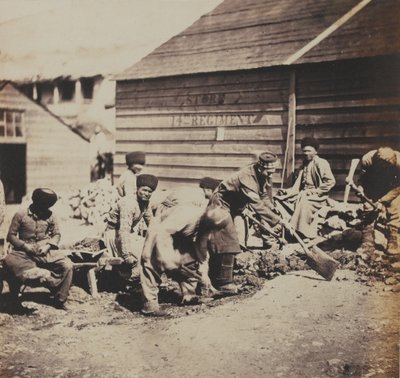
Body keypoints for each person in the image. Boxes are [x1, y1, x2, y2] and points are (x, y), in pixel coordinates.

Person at [196, 152, 284, 295]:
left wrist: (275, 211)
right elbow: (257, 205)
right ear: (261, 168)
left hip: (234, 207)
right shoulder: (246, 177)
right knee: (228, 240)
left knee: (236, 239)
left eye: (273, 172)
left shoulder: (263, 176)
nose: (270, 175)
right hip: (220, 205)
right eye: (269, 172)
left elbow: (263, 196)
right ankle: (223, 283)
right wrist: (277, 221)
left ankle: (218, 276)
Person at [140, 204, 221, 316]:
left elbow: (201, 249)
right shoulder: (188, 214)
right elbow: (162, 233)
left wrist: (204, 274)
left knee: (190, 261)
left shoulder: (208, 224)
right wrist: (166, 258)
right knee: (152, 263)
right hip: (160, 231)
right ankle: (150, 305)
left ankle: (189, 296)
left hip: (179, 236)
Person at [4, 188, 73, 310]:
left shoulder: (51, 215)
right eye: (42, 206)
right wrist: (24, 246)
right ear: (35, 203)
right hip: (24, 251)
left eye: (46, 207)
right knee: (10, 260)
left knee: (67, 265)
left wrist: (49, 245)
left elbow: (57, 234)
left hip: (45, 251)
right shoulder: (21, 214)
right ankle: (36, 274)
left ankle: (60, 299)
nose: (44, 210)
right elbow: (11, 236)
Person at [276, 137, 335, 239]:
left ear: (315, 151)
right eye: (304, 151)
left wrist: (314, 191)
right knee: (279, 199)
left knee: (304, 203)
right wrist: (286, 192)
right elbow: (297, 187)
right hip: (302, 194)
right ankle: (284, 227)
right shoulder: (303, 165)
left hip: (318, 196)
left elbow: (330, 182)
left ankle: (302, 233)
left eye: (309, 151)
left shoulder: (321, 163)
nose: (306, 153)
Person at [103, 174, 158, 279]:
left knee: (150, 249)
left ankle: (146, 279)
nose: (146, 194)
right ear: (137, 188)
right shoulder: (128, 203)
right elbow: (123, 231)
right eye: (144, 190)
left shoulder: (145, 203)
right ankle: (130, 278)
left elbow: (152, 223)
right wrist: (126, 254)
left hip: (129, 234)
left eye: (150, 192)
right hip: (114, 234)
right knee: (139, 255)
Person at [357, 147, 400, 261]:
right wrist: (360, 189)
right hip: (373, 186)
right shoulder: (367, 160)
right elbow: (362, 179)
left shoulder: (399, 162)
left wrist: (382, 201)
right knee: (368, 208)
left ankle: (393, 242)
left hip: (392, 187)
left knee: (395, 208)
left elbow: (398, 187)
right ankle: (367, 242)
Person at [154, 176, 221, 216]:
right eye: (214, 193)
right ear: (208, 190)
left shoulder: (187, 188)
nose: (215, 196)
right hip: (172, 216)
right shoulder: (202, 199)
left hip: (161, 211)